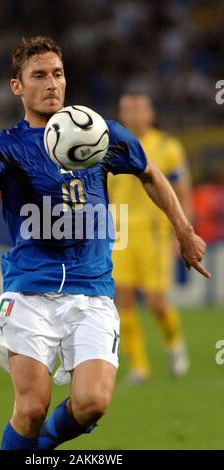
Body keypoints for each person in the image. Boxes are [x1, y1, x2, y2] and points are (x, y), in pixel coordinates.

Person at [0, 36, 210, 451]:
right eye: (38, 76)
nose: (51, 83)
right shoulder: (7, 145)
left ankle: (38, 451)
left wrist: (184, 231)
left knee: (92, 403)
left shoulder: (100, 133)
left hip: (91, 289)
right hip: (30, 287)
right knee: (32, 407)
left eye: (57, 74)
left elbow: (151, 173)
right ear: (17, 86)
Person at [109, 92, 193, 384]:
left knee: (157, 302)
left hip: (156, 232)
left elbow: (182, 192)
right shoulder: (109, 147)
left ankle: (174, 343)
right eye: (127, 110)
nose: (133, 115)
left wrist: (183, 233)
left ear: (150, 113)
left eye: (138, 109)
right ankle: (139, 367)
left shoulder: (168, 147)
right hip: (120, 234)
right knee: (124, 300)